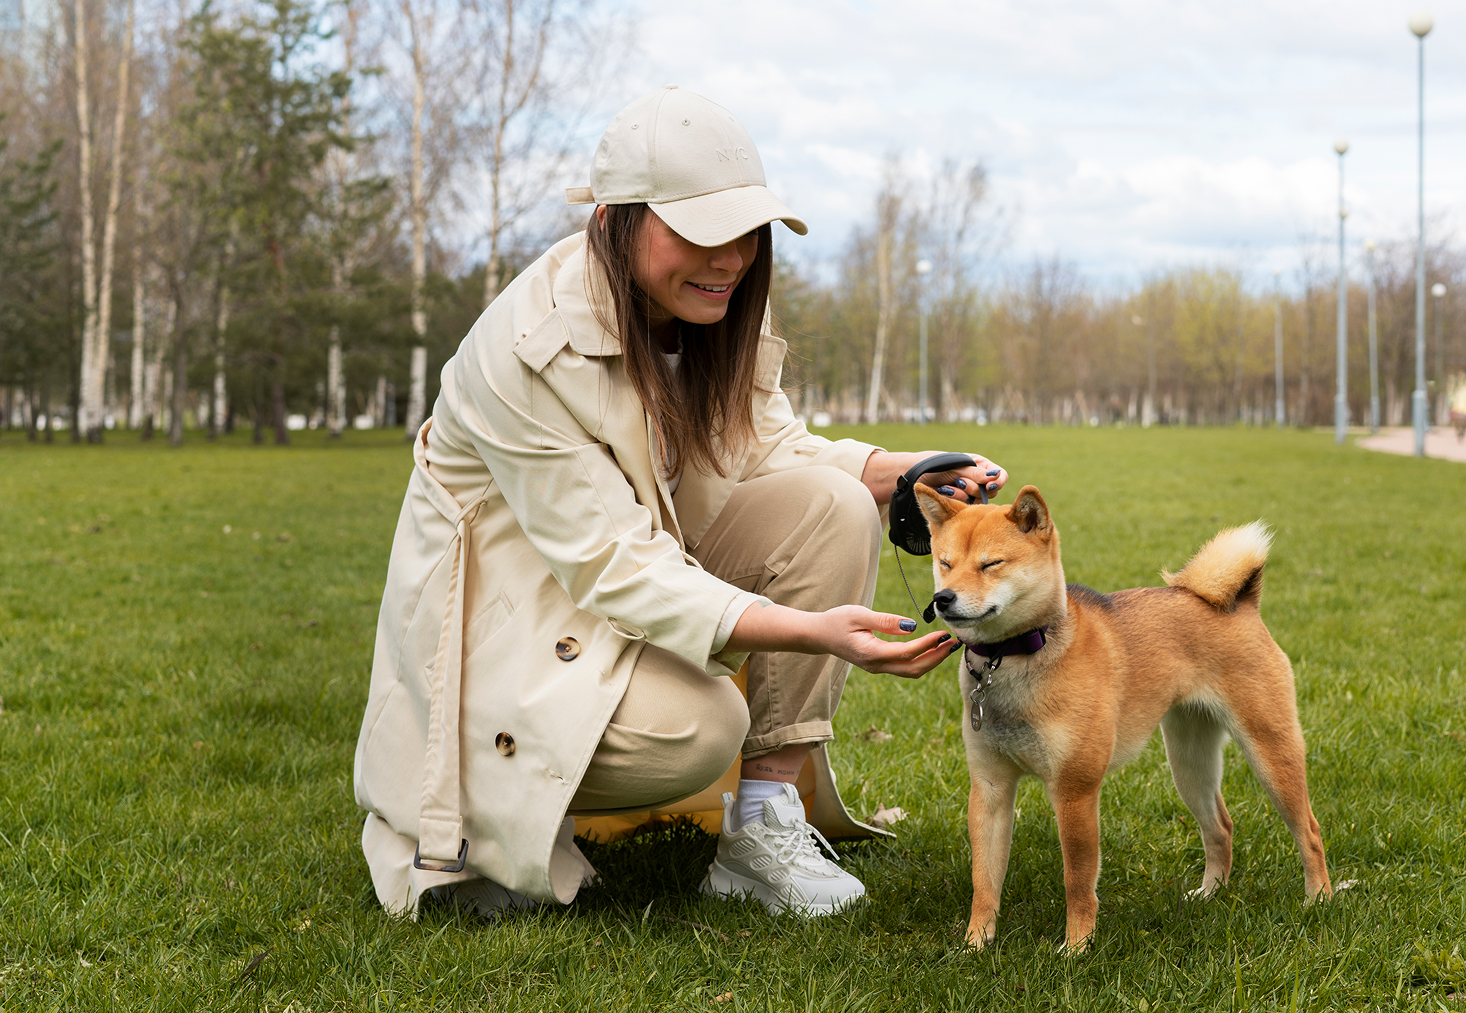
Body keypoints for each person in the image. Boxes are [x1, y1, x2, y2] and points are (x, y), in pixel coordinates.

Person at [352, 85, 1008, 920]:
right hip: (512, 631)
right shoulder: (528, 346)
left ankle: (763, 829)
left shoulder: (706, 304)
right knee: (698, 726)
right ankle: (487, 800)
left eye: (746, 231)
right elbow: (611, 564)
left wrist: (895, 469)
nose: (731, 256)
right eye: (702, 231)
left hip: (613, 594)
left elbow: (767, 448)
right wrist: (807, 632)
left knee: (833, 503)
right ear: (613, 223)